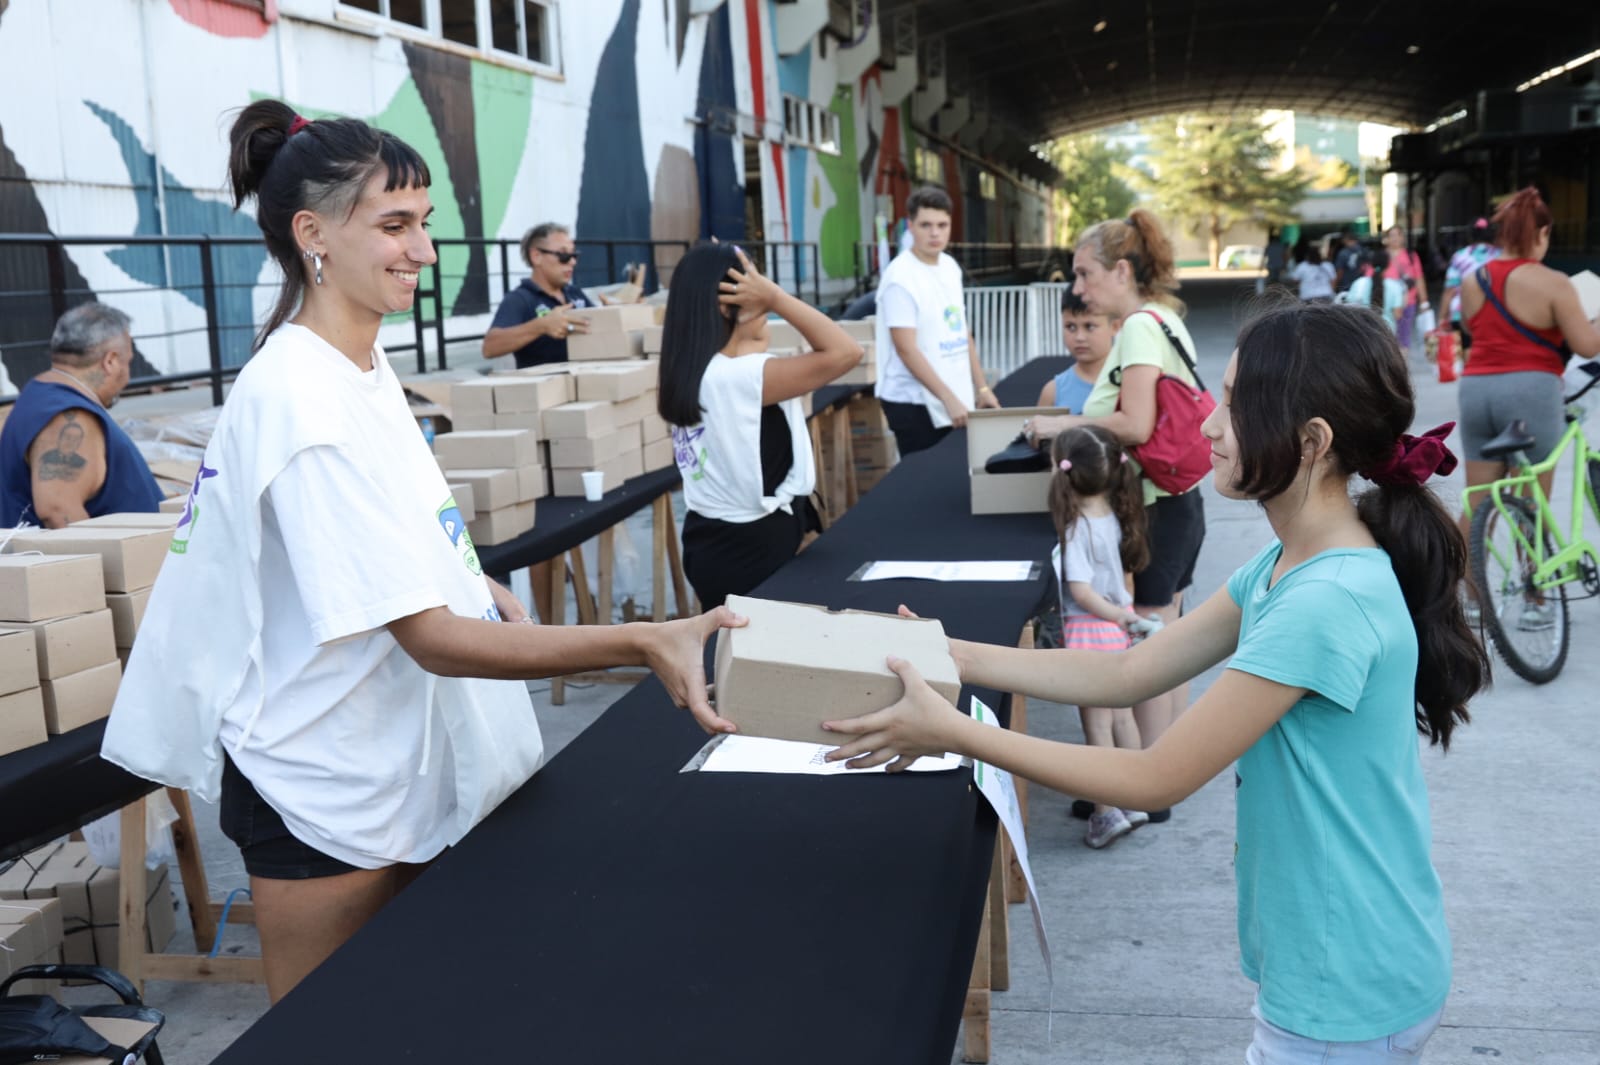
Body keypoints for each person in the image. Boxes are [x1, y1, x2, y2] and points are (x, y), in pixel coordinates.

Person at [100, 101, 744, 1005]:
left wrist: (469, 572)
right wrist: (642, 640)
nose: (424, 251)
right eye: (394, 225)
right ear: (312, 232)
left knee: (404, 1012)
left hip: (379, 752)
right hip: (319, 781)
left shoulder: (355, 364)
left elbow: (396, 526)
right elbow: (433, 638)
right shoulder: (302, 400)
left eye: (427, 224)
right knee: (332, 1034)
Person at [825, 301, 1489, 1063]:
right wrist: (955, 656)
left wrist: (955, 733)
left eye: (1234, 406)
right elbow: (1128, 668)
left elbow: (1154, 776)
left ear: (1311, 442)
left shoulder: (1322, 601)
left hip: (1345, 984)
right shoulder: (1286, 566)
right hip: (1351, 957)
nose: (1207, 422)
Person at [1023, 211, 1206, 822]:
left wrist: (1060, 426)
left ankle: (1148, 786)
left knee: (1152, 650)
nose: (1079, 287)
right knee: (1168, 640)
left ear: (1121, 271)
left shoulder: (1137, 330)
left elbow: (1136, 424)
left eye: (1085, 272)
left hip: (1157, 509)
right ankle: (1162, 773)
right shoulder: (1164, 320)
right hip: (1178, 505)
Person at [658, 244, 861, 609]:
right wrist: (779, 298)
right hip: (751, 549)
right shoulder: (740, 377)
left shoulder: (695, 369)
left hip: (715, 540)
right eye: (752, 283)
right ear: (724, 304)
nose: (763, 292)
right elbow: (845, 352)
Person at [1456, 187, 1600, 621]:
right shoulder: (1553, 283)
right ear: (1541, 233)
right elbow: (1587, 345)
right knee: (1530, 497)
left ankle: (1472, 599)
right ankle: (1535, 602)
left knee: (1478, 499)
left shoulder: (1471, 280)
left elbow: (1473, 330)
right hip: (1532, 392)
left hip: (1477, 391)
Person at [1045, 426, 1150, 848]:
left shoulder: (1077, 527)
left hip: (1091, 632)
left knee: (1096, 728)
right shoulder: (1116, 513)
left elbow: (1081, 591)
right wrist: (1124, 617)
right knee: (1123, 718)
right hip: (1115, 630)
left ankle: (1105, 812)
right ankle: (1137, 796)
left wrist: (1116, 619)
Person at [0, 302, 163, 527]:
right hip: (128, 559)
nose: (127, 375)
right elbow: (57, 510)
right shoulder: (70, 416)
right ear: (111, 361)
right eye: (128, 363)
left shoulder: (42, 393)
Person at [873, 186, 998, 455]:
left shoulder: (950, 267)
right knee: (926, 486)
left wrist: (982, 387)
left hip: (952, 399)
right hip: (914, 403)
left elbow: (963, 333)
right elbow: (906, 348)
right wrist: (947, 398)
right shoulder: (901, 278)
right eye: (926, 225)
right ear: (911, 226)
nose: (935, 233)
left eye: (942, 225)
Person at [481, 223, 594, 370]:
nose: (572, 262)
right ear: (536, 256)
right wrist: (541, 326)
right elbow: (489, 347)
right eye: (563, 255)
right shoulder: (520, 299)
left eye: (574, 255)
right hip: (546, 388)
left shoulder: (575, 293)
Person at [1034, 289, 1117, 413]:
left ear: (1115, 326)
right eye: (1070, 327)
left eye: (1089, 326)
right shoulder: (1053, 392)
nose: (1079, 337)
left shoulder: (1133, 381)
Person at [1440, 218, 1499, 357]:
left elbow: (1450, 289)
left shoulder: (1460, 256)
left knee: (1467, 352)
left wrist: (1442, 317)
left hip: (1461, 312)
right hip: (1494, 313)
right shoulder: (1500, 255)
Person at [1382, 226, 1428, 349]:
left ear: (1402, 237)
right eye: (1391, 235)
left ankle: (1401, 366)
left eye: (1398, 235)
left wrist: (1424, 302)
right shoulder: (1381, 256)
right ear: (1386, 239)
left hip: (1407, 302)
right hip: (1386, 305)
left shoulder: (1411, 256)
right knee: (1386, 339)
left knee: (1403, 339)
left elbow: (1418, 278)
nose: (1395, 238)